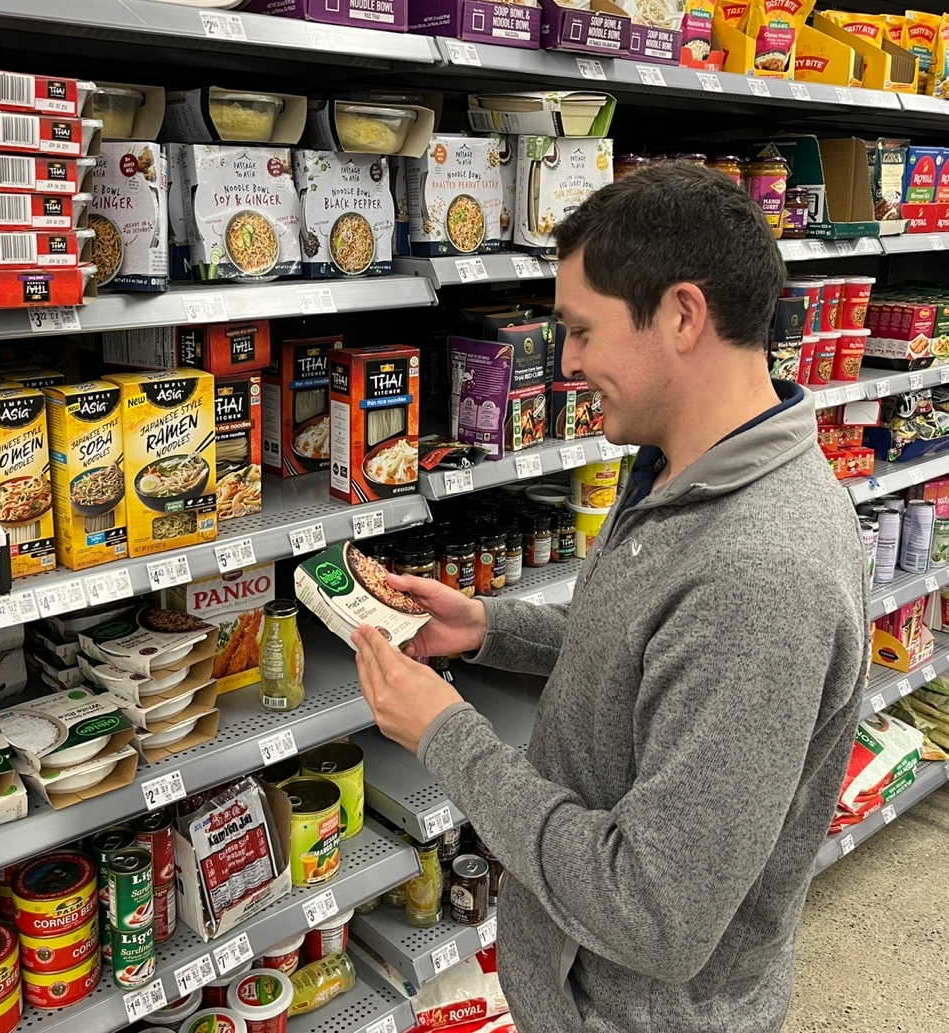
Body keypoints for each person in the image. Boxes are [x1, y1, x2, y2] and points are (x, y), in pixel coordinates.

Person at [351, 161, 869, 1033]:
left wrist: (446, 735)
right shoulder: (686, 468)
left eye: (582, 330)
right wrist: (488, 627)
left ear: (681, 314)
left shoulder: (763, 574)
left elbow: (651, 912)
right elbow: (653, 656)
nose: (571, 360)